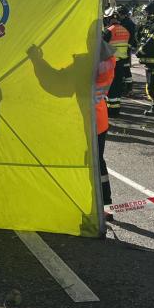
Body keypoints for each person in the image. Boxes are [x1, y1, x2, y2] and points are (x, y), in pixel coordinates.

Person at [27, 39, 117, 221]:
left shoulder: (85, 64)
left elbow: (57, 84)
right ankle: (105, 205)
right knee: (98, 162)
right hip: (100, 118)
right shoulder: (109, 59)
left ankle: (93, 206)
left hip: (85, 120)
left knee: (91, 163)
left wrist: (37, 60)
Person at [136, 2, 154, 117]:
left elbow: (152, 42)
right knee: (151, 85)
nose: (146, 14)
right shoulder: (151, 24)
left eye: (148, 12)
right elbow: (143, 37)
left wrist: (141, 51)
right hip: (149, 61)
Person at [102, 7, 131, 118]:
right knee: (118, 86)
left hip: (110, 62)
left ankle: (111, 110)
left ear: (109, 19)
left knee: (110, 86)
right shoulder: (125, 30)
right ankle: (116, 109)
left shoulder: (108, 31)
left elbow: (102, 47)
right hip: (121, 63)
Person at [115, 5, 138, 94]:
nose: (118, 16)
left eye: (119, 14)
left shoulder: (127, 23)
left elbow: (131, 37)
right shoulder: (125, 22)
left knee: (125, 68)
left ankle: (128, 88)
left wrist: (128, 46)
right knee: (124, 68)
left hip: (125, 50)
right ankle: (125, 87)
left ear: (123, 14)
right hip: (123, 50)